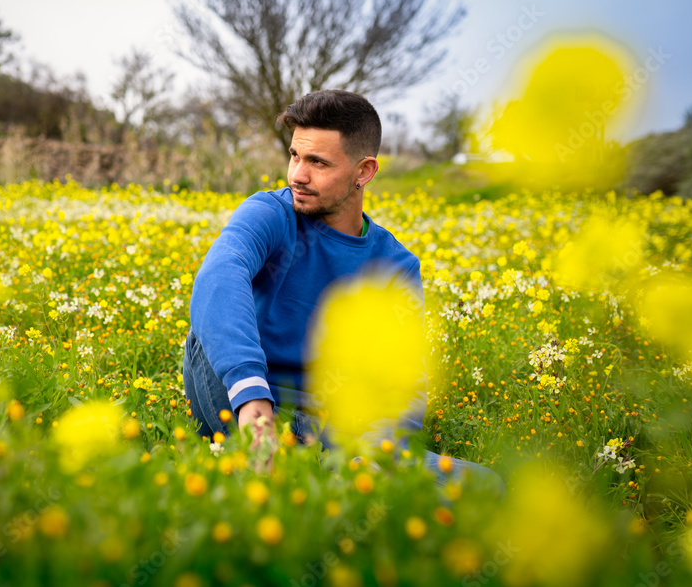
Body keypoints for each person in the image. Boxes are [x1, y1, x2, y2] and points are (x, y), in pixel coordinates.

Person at [181, 89, 504, 495]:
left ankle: (322, 482)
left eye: (317, 162)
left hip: (334, 430)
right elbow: (220, 275)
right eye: (295, 155)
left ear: (364, 171)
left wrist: (374, 450)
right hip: (244, 399)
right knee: (206, 334)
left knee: (485, 486)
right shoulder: (269, 213)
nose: (298, 174)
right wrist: (252, 400)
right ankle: (292, 474)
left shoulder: (395, 267)